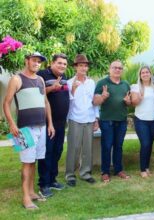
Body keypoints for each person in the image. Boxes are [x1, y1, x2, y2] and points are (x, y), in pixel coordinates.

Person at [3, 52, 55, 209]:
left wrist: (50, 123)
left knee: (34, 162)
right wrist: (12, 124)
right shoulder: (17, 79)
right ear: (27, 61)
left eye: (39, 62)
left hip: (42, 126)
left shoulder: (40, 80)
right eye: (34, 60)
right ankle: (26, 198)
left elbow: (45, 102)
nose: (37, 64)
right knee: (26, 163)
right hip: (25, 129)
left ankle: (32, 192)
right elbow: (6, 103)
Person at [93, 60, 132, 183]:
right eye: (115, 67)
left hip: (121, 120)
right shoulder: (102, 83)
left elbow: (129, 102)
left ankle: (118, 170)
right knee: (107, 146)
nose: (117, 70)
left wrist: (128, 102)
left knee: (118, 146)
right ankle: (105, 172)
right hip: (107, 121)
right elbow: (95, 102)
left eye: (120, 68)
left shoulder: (125, 84)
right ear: (110, 69)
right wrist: (103, 96)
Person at [37, 53, 69, 197]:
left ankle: (52, 179)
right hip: (47, 122)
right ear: (52, 63)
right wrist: (51, 88)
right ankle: (43, 184)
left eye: (64, 64)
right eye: (60, 63)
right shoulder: (42, 75)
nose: (62, 66)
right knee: (47, 152)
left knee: (57, 151)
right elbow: (37, 94)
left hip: (61, 123)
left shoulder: (65, 78)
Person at [65, 54, 99, 186]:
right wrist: (73, 89)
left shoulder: (91, 82)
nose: (83, 68)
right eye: (80, 65)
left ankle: (85, 173)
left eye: (85, 66)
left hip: (89, 119)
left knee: (87, 148)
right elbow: (68, 103)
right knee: (74, 148)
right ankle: (70, 175)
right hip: (75, 119)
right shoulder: (69, 83)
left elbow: (94, 102)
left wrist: (96, 119)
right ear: (75, 67)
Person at [131, 66, 154, 178]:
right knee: (145, 143)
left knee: (149, 144)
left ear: (150, 74)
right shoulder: (136, 87)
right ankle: (142, 169)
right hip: (141, 119)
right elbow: (134, 102)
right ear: (140, 75)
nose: (145, 74)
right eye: (143, 72)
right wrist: (139, 98)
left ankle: (147, 167)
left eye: (147, 72)